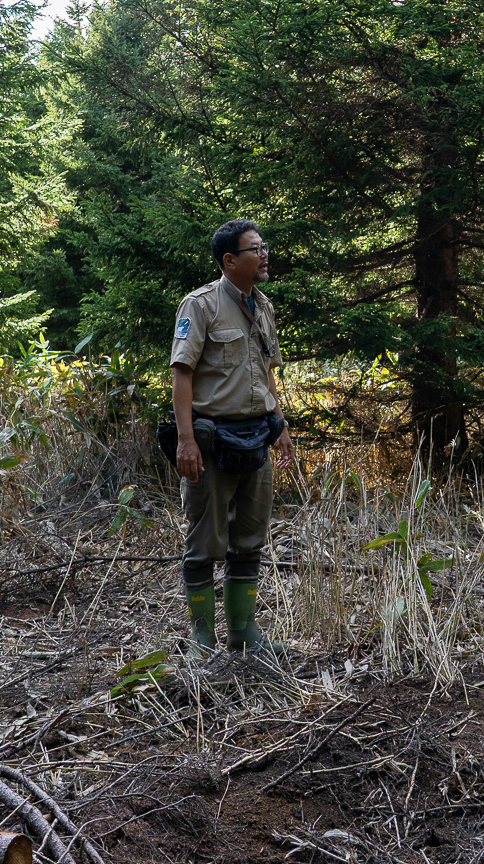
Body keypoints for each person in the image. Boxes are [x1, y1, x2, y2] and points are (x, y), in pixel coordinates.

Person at [169, 219, 297, 657]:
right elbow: (181, 373)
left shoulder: (263, 306)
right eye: (254, 249)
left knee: (250, 540)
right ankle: (202, 642)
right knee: (204, 545)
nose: (264, 255)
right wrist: (186, 441)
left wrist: (280, 425)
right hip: (212, 444)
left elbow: (266, 371)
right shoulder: (200, 306)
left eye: (264, 246)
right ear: (229, 260)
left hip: (256, 439)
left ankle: (243, 633)